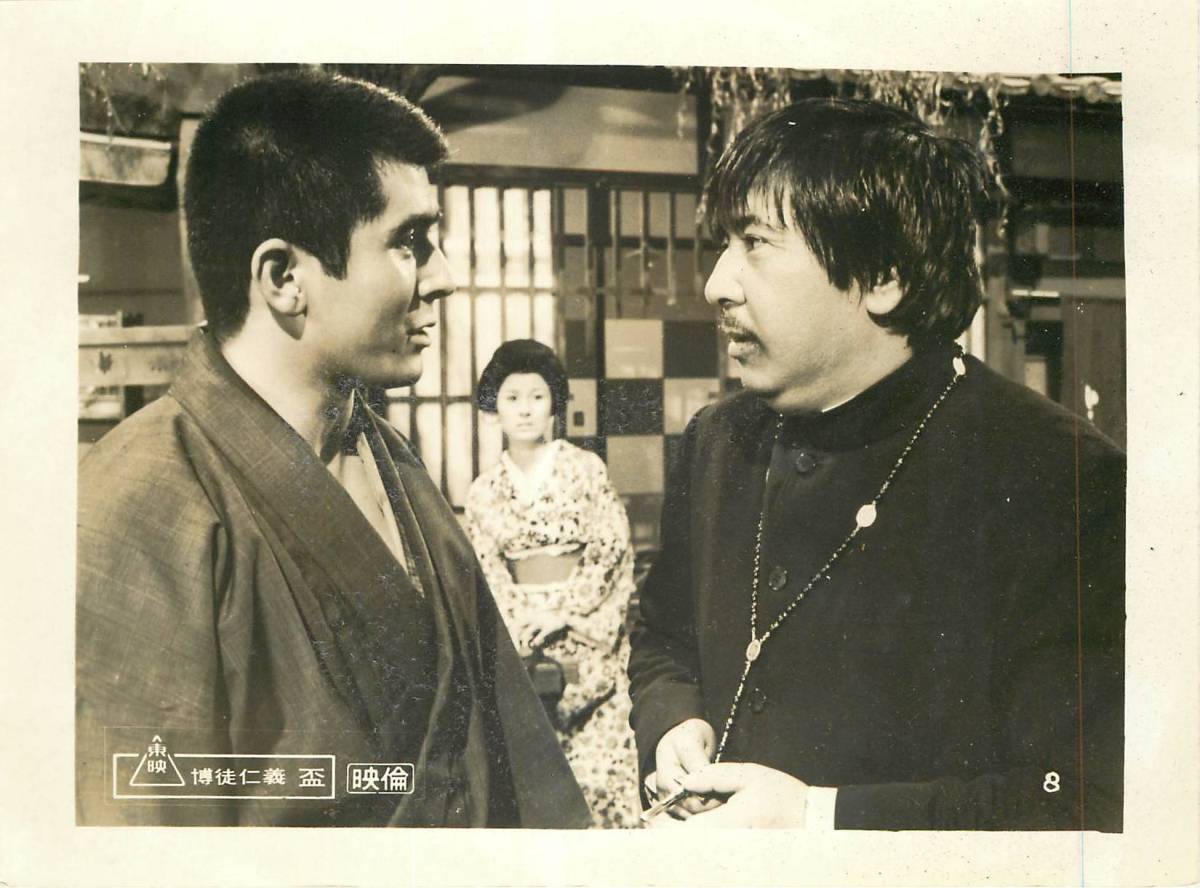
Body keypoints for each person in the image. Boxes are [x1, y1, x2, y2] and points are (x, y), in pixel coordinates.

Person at [75, 70, 590, 828]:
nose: (445, 278)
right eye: (411, 242)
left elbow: (509, 752)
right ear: (285, 277)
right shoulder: (137, 500)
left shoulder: (387, 455)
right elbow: (143, 837)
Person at [627, 98, 1124, 831]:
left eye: (756, 243)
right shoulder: (717, 439)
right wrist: (673, 722)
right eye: (724, 243)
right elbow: (663, 637)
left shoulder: (1062, 477)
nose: (717, 284)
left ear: (883, 276)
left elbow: (1086, 796)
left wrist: (817, 817)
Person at [463, 339, 641, 828]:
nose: (524, 410)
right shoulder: (482, 492)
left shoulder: (586, 470)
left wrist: (563, 612)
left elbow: (611, 549)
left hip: (585, 634)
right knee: (533, 788)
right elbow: (486, 569)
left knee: (600, 781)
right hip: (521, 640)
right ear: (494, 408)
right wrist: (521, 622)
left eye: (536, 397)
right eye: (512, 398)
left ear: (554, 405)